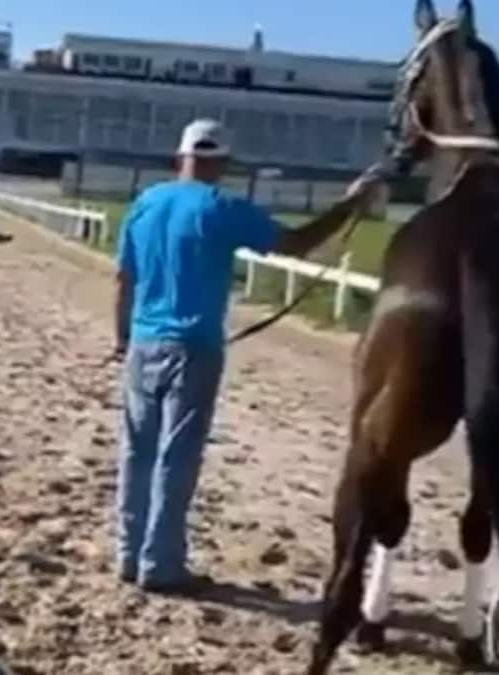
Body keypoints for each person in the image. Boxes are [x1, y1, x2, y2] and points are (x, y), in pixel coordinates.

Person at [112, 118, 383, 594]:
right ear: (221, 163)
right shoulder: (223, 207)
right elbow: (297, 243)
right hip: (195, 347)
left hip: (142, 342)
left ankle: (128, 554)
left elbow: (123, 279)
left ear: (181, 159)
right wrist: (351, 204)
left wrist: (122, 338)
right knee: (178, 456)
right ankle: (161, 563)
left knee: (138, 450)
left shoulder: (145, 203)